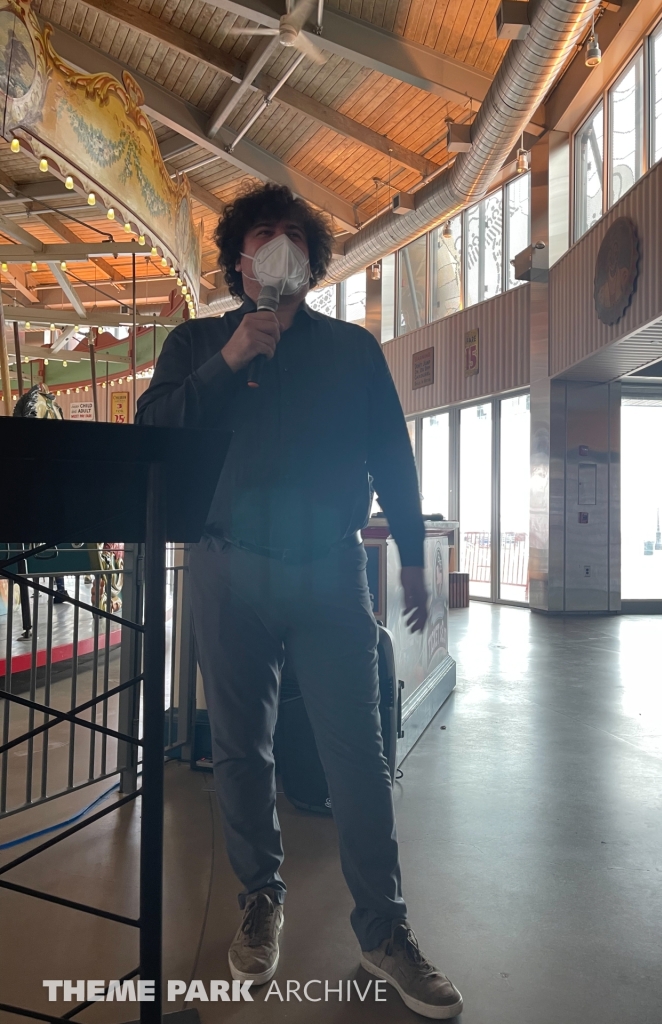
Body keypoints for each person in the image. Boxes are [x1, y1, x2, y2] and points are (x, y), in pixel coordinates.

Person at [135, 184, 463, 1020]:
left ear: (313, 262)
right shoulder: (195, 343)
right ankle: (259, 898)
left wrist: (417, 562)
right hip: (224, 567)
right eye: (260, 235)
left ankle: (384, 930)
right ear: (236, 259)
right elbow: (153, 433)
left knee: (358, 753)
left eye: (291, 236)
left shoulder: (352, 351)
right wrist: (231, 359)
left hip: (330, 571)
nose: (276, 247)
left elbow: (391, 451)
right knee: (241, 749)